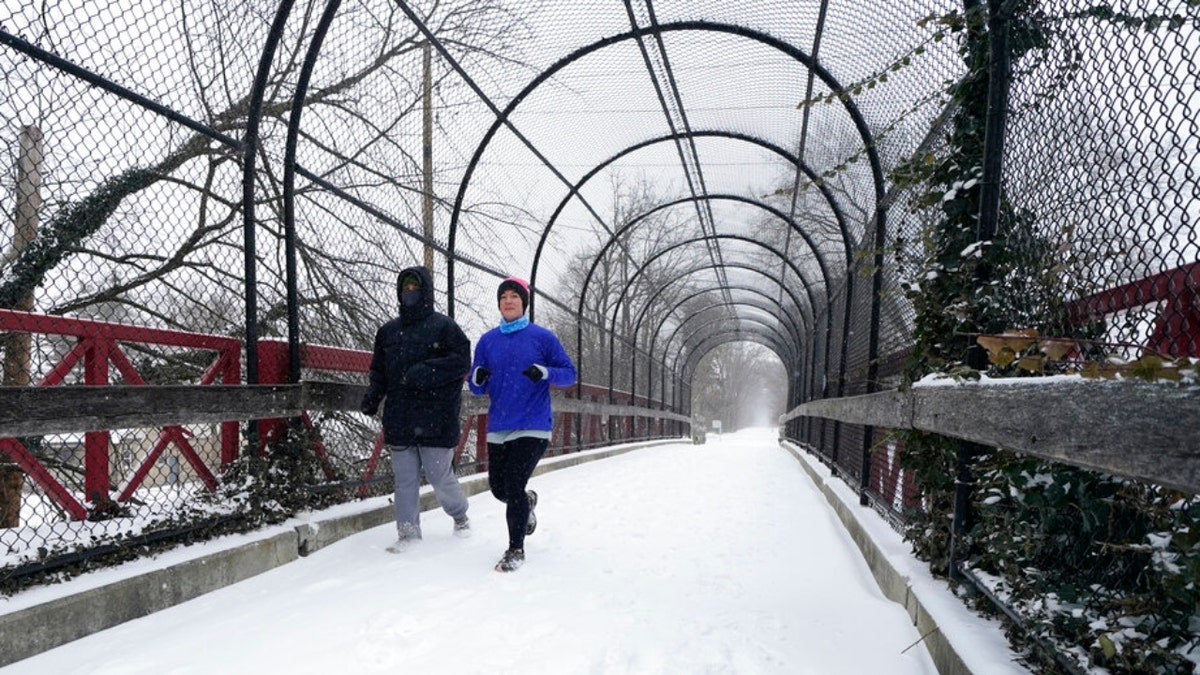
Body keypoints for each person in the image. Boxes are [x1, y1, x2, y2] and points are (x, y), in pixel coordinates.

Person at [468, 276, 577, 572]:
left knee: (514, 484)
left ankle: (515, 550)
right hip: (500, 424)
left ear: (524, 303)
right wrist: (476, 379)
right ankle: (527, 502)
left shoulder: (542, 338)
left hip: (533, 423)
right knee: (499, 489)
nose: (508, 300)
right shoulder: (488, 341)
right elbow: (476, 381)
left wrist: (545, 372)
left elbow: (569, 374)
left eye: (514, 296)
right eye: (503, 296)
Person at [361, 265, 472, 553]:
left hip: (436, 417)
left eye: (415, 287)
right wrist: (373, 396)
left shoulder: (445, 327)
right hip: (399, 417)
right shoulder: (388, 332)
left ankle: (459, 514)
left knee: (439, 476)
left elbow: (461, 361)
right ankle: (408, 534)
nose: (410, 292)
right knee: (405, 480)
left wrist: (427, 371)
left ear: (426, 291)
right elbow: (379, 371)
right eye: (405, 288)